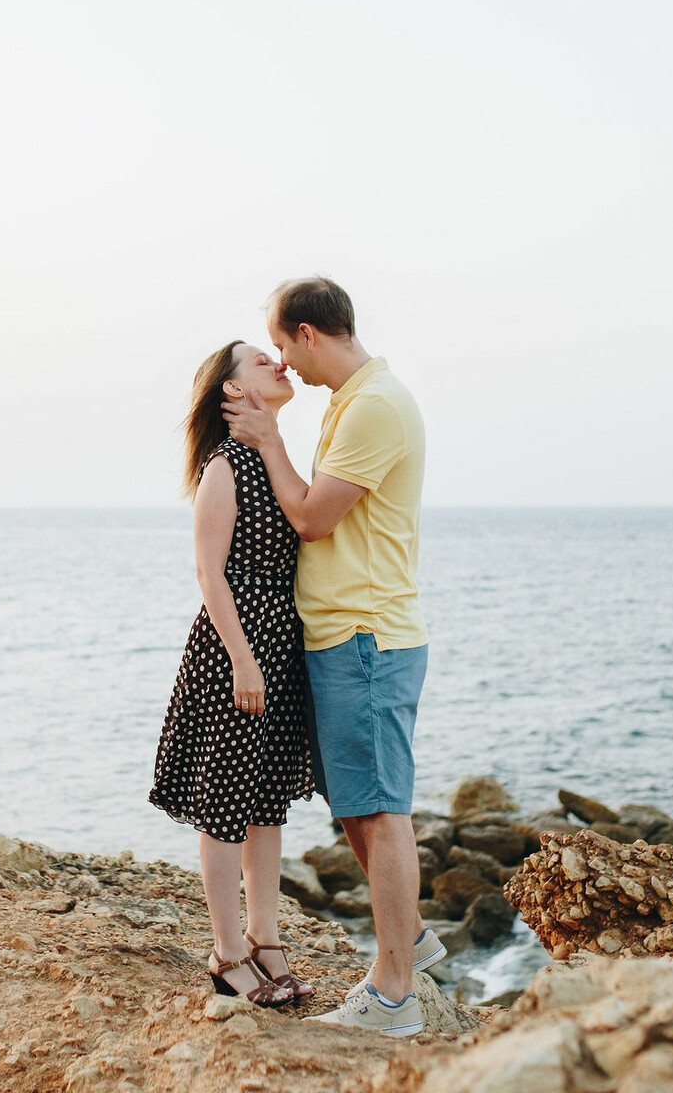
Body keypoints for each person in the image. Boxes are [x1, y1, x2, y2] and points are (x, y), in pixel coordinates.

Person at [223, 276, 438, 1037]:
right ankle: (407, 939)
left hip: (367, 635)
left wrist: (270, 443)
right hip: (343, 634)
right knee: (357, 805)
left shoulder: (374, 407)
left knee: (380, 813)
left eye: (282, 344)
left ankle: (394, 997)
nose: (283, 361)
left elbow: (313, 518)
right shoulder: (352, 403)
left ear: (309, 333)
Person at [149, 339, 318, 1008]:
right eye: (259, 361)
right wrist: (244, 660)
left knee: (266, 802)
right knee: (223, 805)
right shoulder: (225, 467)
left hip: (282, 642)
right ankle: (226, 953)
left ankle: (265, 939)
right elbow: (208, 573)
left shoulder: (268, 457)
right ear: (233, 393)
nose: (278, 362)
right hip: (237, 647)